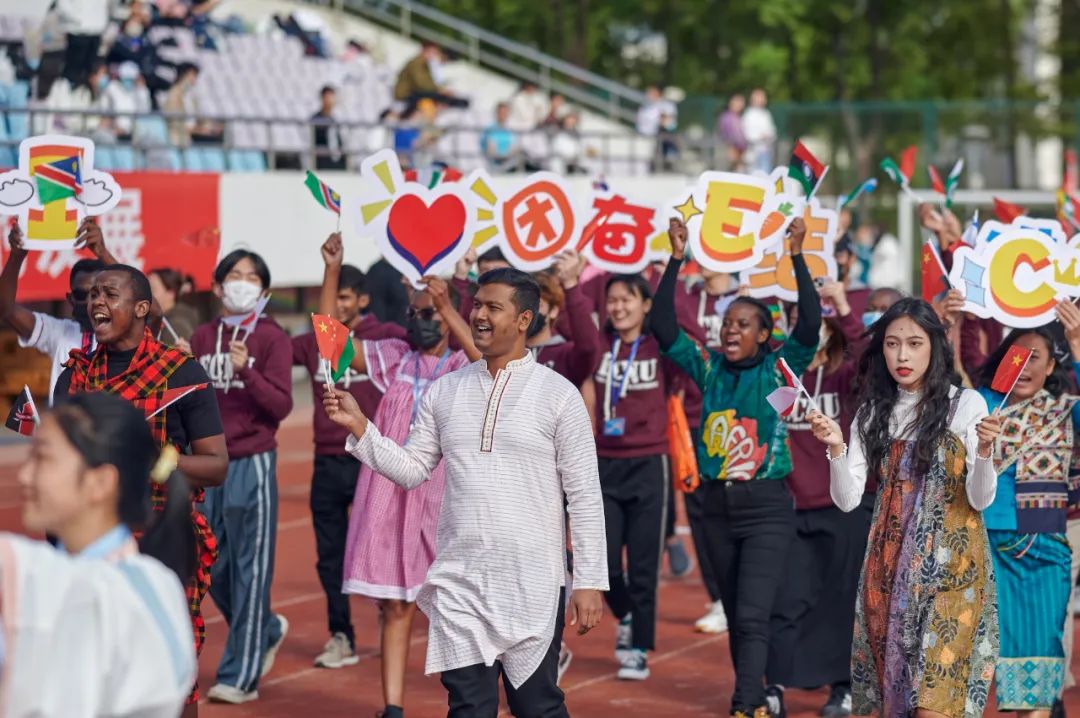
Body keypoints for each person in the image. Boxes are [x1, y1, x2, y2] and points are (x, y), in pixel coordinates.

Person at [325, 267, 607, 718]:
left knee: (535, 706)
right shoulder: (445, 392)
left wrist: (589, 581)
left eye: (494, 307)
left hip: (532, 582)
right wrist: (362, 427)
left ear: (524, 319)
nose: (479, 315)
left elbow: (585, 494)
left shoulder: (558, 396)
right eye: (477, 305)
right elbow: (412, 469)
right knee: (468, 707)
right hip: (459, 580)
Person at [657, 216, 820, 717]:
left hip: (766, 508)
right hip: (714, 506)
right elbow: (663, 327)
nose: (731, 330)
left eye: (743, 324)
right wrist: (676, 259)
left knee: (751, 614)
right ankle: (756, 694)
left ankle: (747, 704)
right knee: (734, 611)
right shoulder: (707, 368)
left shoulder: (779, 369)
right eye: (727, 323)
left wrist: (797, 255)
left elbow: (809, 326)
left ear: (764, 334)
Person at [808, 297, 1002, 718]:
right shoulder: (871, 412)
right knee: (898, 702)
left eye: (914, 344)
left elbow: (981, 498)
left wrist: (986, 452)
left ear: (935, 346)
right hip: (888, 569)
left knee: (935, 702)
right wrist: (836, 448)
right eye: (892, 343)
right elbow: (846, 500)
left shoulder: (966, 405)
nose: (902, 355)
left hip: (953, 573)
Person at [52, 263, 228, 714]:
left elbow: (216, 466)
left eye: (109, 294)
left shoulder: (182, 374)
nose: (96, 302)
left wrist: (155, 462)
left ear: (142, 309)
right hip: (90, 543)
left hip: (160, 541)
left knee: (170, 669)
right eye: (93, 295)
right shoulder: (73, 376)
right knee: (93, 672)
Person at [335, 268, 478, 718]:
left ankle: (486, 696)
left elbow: (488, 366)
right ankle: (393, 708)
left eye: (430, 313)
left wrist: (448, 307)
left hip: (444, 501)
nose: (420, 322)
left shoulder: (462, 366)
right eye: (414, 314)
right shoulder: (396, 357)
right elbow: (332, 343)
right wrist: (332, 269)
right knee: (396, 606)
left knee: (458, 608)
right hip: (392, 498)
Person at [0, 392, 196, 717]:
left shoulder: (91, 593)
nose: (25, 475)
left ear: (101, 482)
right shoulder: (157, 580)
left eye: (43, 458)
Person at [293, 234, 405, 670]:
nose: (338, 304)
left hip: (371, 459)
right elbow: (279, 351)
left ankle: (391, 613)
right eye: (333, 297)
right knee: (330, 555)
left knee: (379, 548)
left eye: (344, 297)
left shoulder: (389, 340)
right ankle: (341, 633)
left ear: (362, 299)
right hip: (327, 458)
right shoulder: (313, 342)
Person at [190, 250, 294, 704]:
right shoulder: (200, 337)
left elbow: (281, 406)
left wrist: (247, 370)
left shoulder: (272, 338)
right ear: (217, 286)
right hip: (207, 463)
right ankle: (265, 629)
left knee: (252, 570)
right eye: (234, 275)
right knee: (208, 566)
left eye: (252, 278)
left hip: (252, 461)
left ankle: (241, 676)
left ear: (264, 291)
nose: (242, 284)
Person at [764, 279, 869, 718]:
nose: (808, 325)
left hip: (842, 503)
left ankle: (843, 687)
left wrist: (842, 304)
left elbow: (868, 356)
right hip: (789, 505)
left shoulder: (847, 373)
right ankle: (774, 685)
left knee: (842, 599)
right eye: (797, 319)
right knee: (785, 599)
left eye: (817, 319)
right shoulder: (782, 375)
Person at [975, 309, 1080, 716]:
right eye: (1015, 356)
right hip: (989, 543)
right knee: (1005, 646)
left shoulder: (1063, 409)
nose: (1024, 365)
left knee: (1045, 643)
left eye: (1034, 357)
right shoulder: (981, 405)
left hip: (1046, 544)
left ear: (1052, 366)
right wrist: (951, 325)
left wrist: (1077, 343)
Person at [578, 273, 669, 682]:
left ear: (646, 304)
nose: (618, 307)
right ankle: (627, 613)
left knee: (645, 567)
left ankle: (637, 649)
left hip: (650, 463)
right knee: (606, 563)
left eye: (627, 299)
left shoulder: (660, 346)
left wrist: (670, 267)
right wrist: (572, 282)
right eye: (612, 300)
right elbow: (574, 319)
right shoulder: (599, 345)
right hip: (605, 462)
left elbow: (677, 321)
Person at [1, 220, 114, 404]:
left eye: (97, 294)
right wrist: (16, 256)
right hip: (64, 422)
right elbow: (6, 310)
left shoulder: (126, 334)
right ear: (71, 299)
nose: (90, 302)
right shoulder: (60, 332)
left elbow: (150, 308)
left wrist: (103, 254)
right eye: (82, 294)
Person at [528, 251, 599, 387]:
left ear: (553, 311)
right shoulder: (505, 354)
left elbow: (588, 348)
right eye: (524, 305)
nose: (530, 312)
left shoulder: (564, 355)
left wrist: (570, 284)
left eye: (538, 305)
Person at [393, 41, 468, 110]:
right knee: (439, 97)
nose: (433, 55)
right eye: (432, 52)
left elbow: (428, 81)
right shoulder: (417, 63)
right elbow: (421, 83)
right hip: (405, 94)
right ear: (425, 50)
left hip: (411, 92)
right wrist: (438, 90)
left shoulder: (423, 63)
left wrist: (439, 90)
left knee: (439, 97)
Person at [149, 267, 200, 347]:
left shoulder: (176, 326)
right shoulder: (154, 320)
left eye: (152, 289)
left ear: (170, 293)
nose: (146, 294)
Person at [742, 88, 776, 175]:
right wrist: (760, 136)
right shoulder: (748, 114)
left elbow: (772, 131)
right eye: (760, 97)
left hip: (766, 150)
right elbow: (747, 134)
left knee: (766, 176)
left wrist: (768, 136)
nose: (763, 99)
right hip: (754, 151)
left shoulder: (766, 113)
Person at [312, 85, 345, 170]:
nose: (330, 100)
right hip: (322, 163)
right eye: (327, 97)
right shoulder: (315, 120)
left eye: (332, 97)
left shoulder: (336, 119)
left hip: (337, 163)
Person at [482, 102, 519, 173]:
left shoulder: (512, 129)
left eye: (505, 113)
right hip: (493, 166)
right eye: (500, 112)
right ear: (496, 113)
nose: (503, 115)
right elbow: (485, 148)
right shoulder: (489, 129)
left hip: (510, 165)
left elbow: (515, 148)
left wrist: (507, 158)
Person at [716, 93, 747, 170]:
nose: (740, 104)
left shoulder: (740, 117)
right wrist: (731, 148)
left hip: (740, 152)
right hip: (729, 151)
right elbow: (725, 135)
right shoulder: (726, 117)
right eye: (737, 101)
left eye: (741, 102)